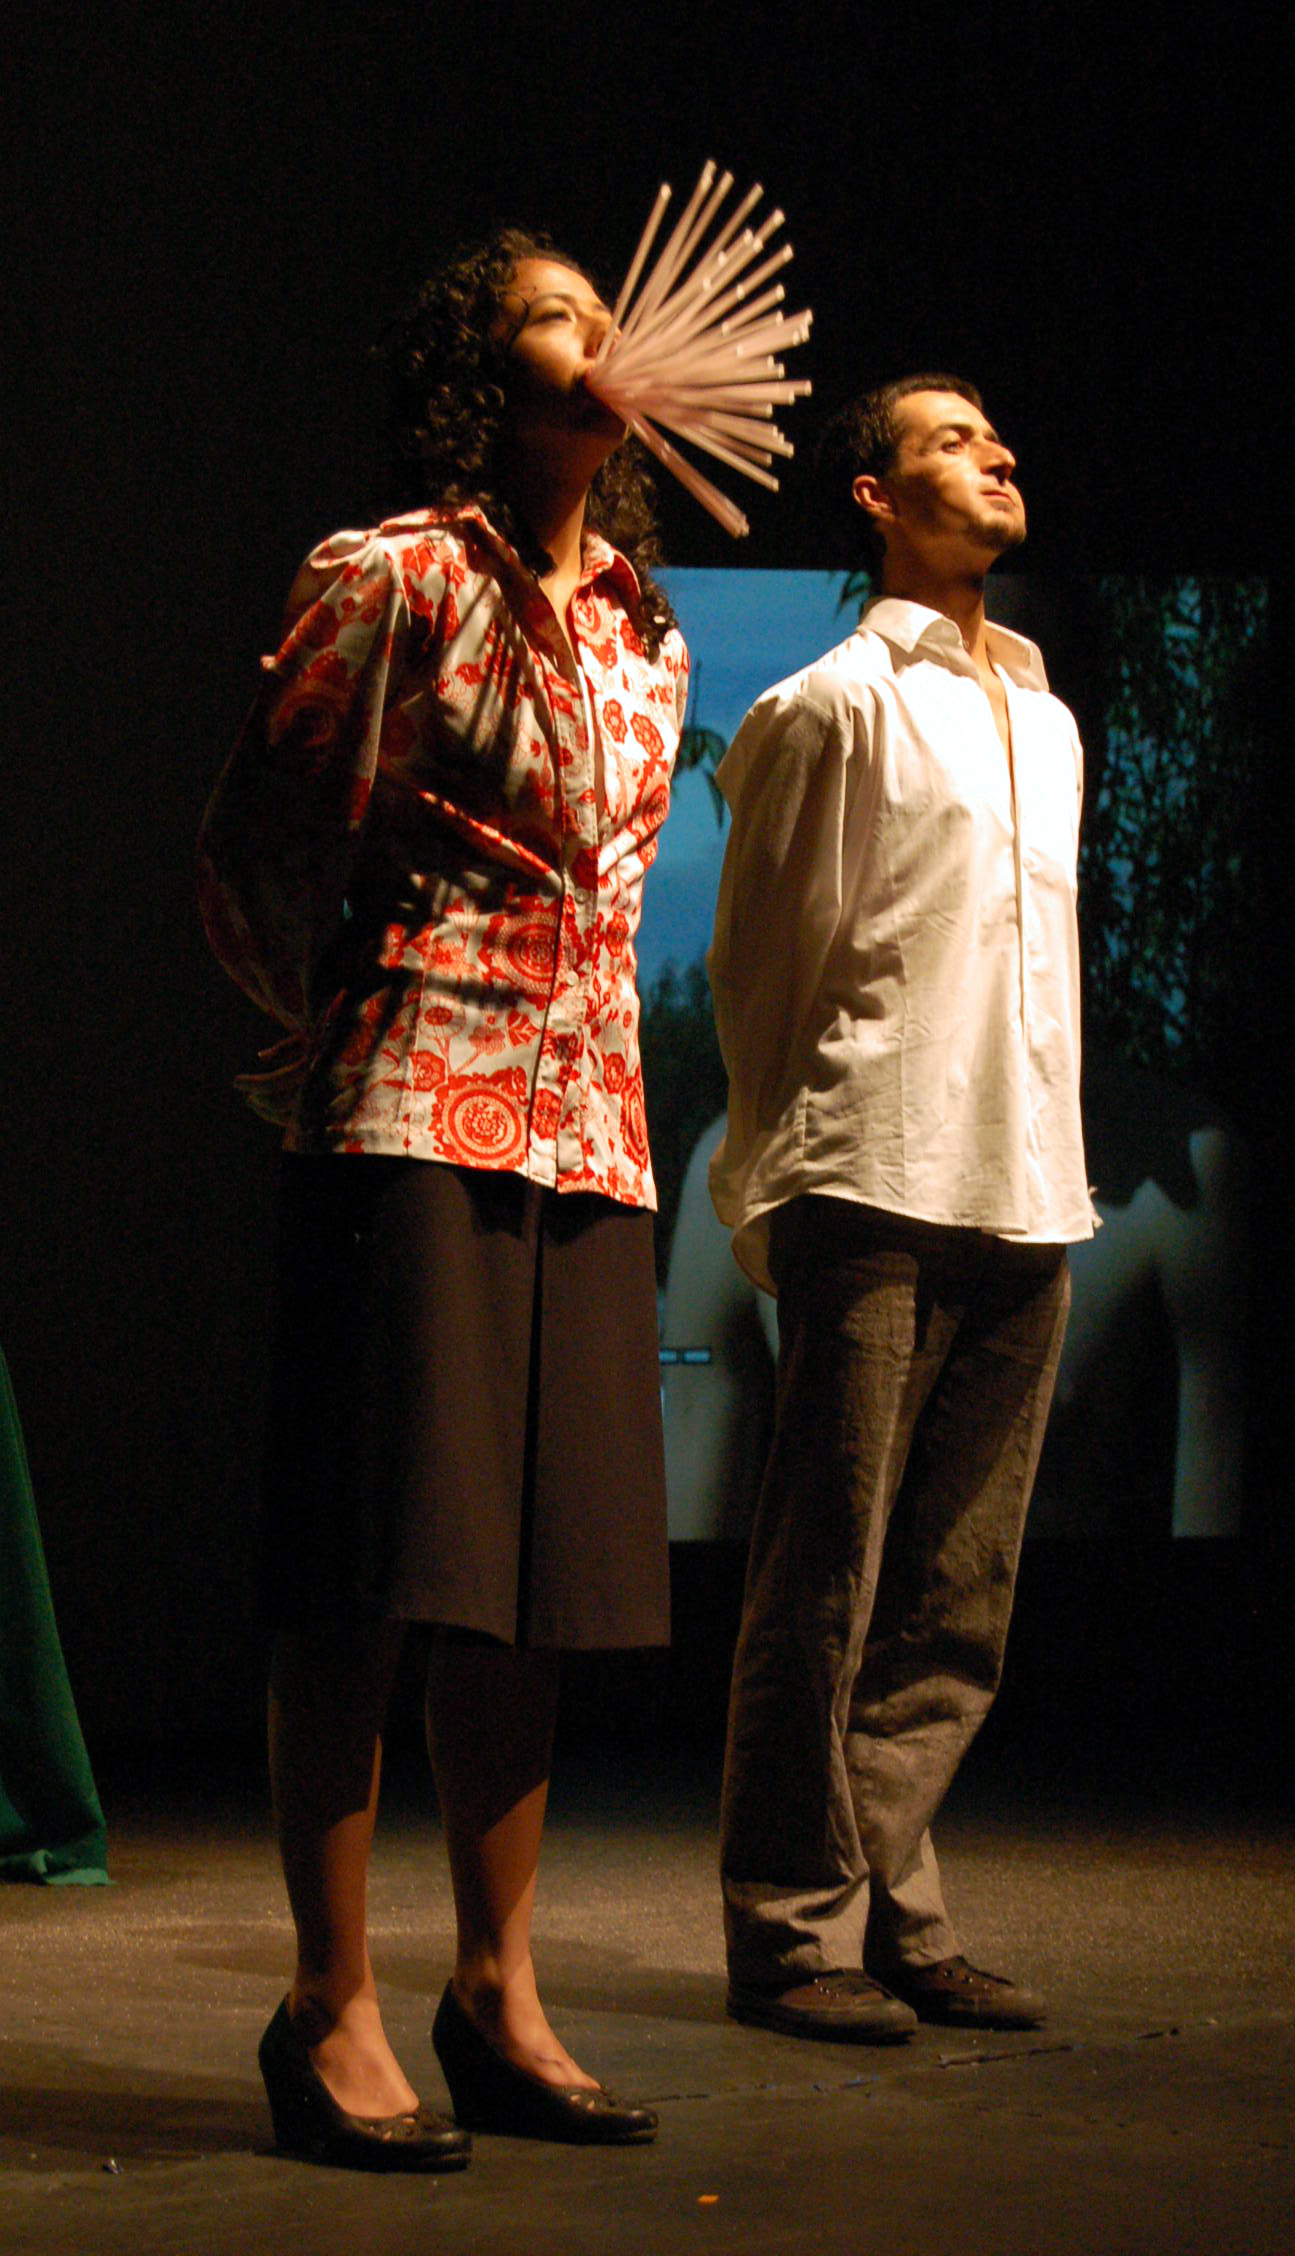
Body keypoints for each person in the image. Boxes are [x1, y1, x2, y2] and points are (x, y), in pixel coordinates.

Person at [197, 228, 688, 2166]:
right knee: (372, 1567)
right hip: (415, 1109)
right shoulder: (390, 576)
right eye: (558, 313)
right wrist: (335, 1021)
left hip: (592, 1131)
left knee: (533, 1591)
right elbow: (259, 832)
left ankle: (497, 1991)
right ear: (487, 369)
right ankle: (324, 2001)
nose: (600, 339)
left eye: (607, 313)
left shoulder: (646, 628)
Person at [707, 375, 1096, 2042]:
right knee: (828, 1581)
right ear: (872, 495)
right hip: (869, 1174)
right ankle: (790, 1927)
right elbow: (761, 973)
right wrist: (775, 1181)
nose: (996, 454)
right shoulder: (828, 706)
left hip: (1029, 1184)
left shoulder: (1047, 715)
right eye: (951, 439)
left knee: (957, 1596)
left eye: (1000, 435)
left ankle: (899, 1908)